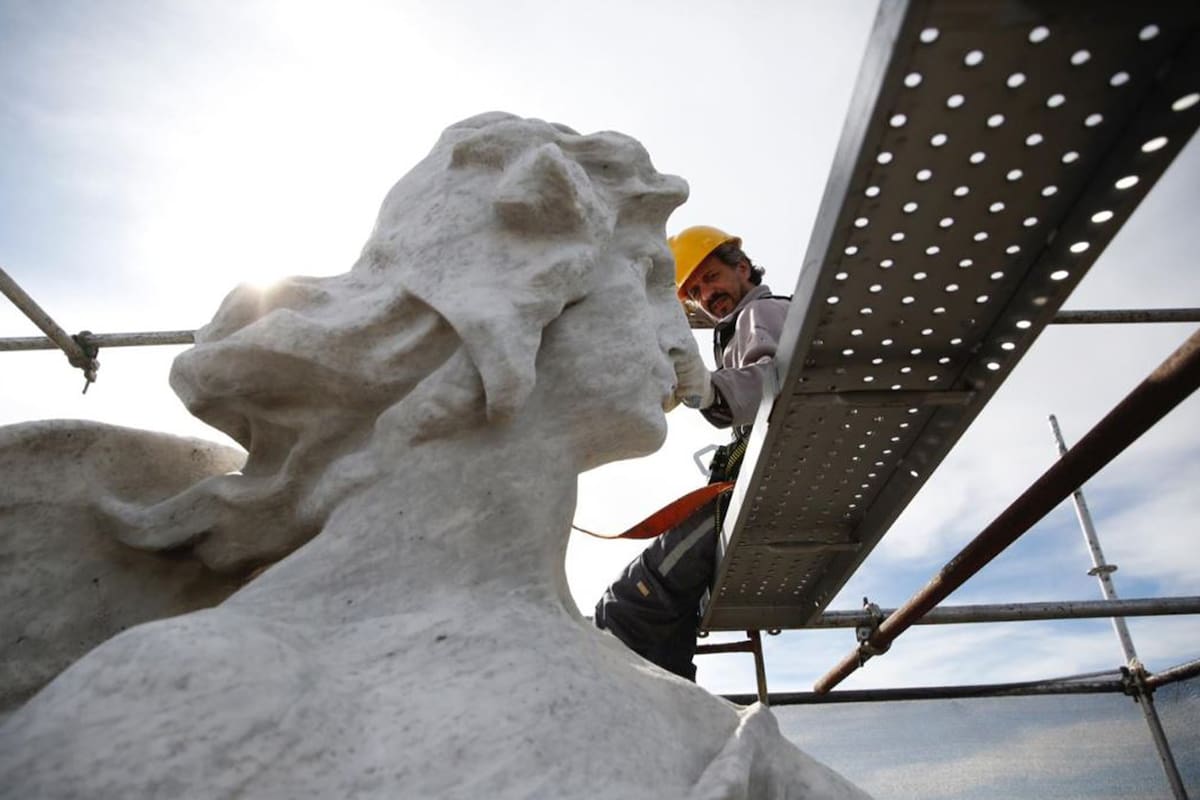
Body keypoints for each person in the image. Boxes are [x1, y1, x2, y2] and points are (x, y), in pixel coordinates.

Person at [594, 225, 790, 681]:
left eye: (712, 277)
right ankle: (674, 705)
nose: (707, 294)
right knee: (672, 613)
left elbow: (769, 385)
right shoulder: (739, 326)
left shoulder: (760, 313)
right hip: (760, 482)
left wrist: (695, 381)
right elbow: (732, 408)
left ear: (742, 269)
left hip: (755, 489)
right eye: (696, 290)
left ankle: (655, 717)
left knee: (629, 607)